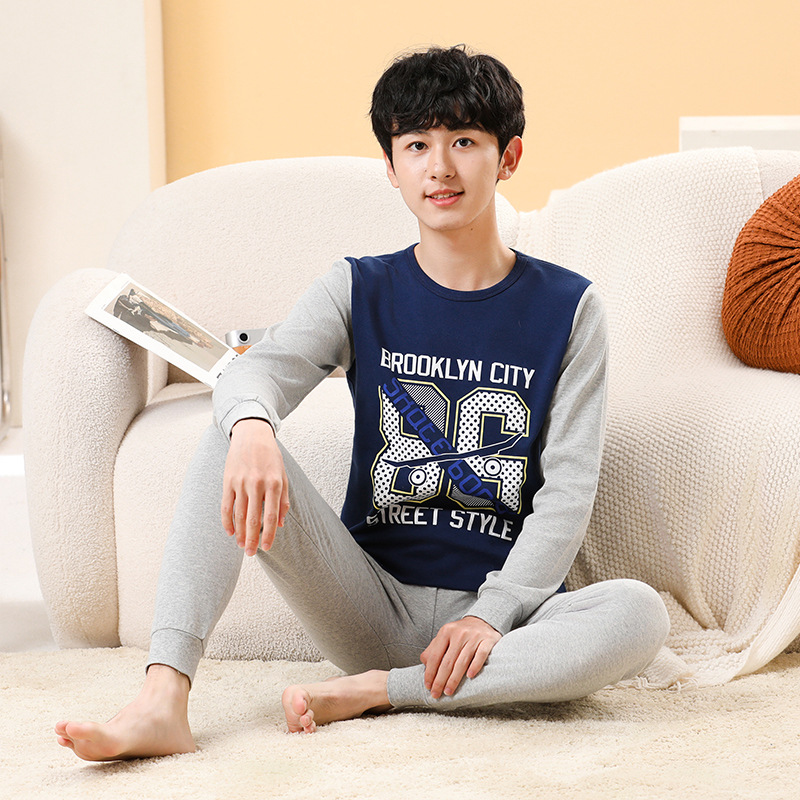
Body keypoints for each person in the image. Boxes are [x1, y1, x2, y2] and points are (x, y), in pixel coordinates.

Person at [55, 45, 670, 761]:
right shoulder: (358, 288)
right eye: (417, 145)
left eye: (464, 141)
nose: (439, 167)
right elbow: (258, 374)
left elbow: (567, 492)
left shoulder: (571, 308)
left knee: (638, 614)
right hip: (370, 603)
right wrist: (252, 425)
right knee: (233, 430)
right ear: (391, 166)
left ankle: (383, 691)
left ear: (508, 158)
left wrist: (494, 616)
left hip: (505, 628)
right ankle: (162, 701)